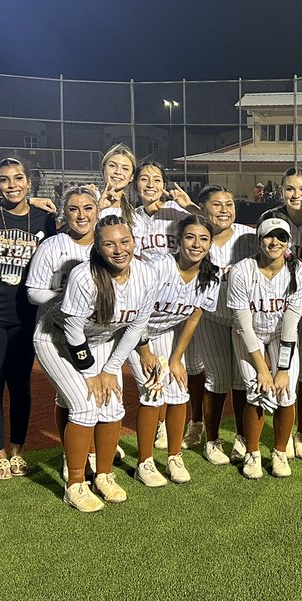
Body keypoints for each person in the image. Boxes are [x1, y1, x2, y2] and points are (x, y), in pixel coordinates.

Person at [33, 217, 158, 511]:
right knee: (86, 405)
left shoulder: (146, 274)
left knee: (113, 404)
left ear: (134, 242)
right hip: (56, 339)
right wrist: (92, 373)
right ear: (98, 248)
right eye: (109, 244)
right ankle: (75, 483)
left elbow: (136, 326)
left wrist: (111, 369)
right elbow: (73, 330)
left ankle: (104, 475)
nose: (119, 249)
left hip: (101, 341)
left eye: (124, 241)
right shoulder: (83, 275)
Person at [0, 158, 58, 479]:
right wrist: (23, 200)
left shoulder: (45, 219)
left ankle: (17, 451)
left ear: (29, 181)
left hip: (25, 314)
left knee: (20, 385)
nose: (12, 185)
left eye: (18, 178)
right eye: (5, 180)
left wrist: (33, 203)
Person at [127, 214, 220, 486]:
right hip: (134, 332)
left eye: (203, 239)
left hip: (165, 333)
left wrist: (177, 358)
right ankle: (144, 462)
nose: (196, 244)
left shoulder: (209, 276)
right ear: (178, 240)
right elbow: (135, 311)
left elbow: (192, 317)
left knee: (179, 390)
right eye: (190, 237)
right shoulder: (158, 267)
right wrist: (145, 351)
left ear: (210, 244)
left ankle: (173, 456)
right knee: (153, 390)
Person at [228, 215, 302, 478]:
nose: (275, 242)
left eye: (282, 237)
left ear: (289, 242)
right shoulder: (241, 271)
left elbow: (290, 323)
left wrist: (282, 368)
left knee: (286, 393)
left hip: (280, 335)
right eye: (269, 236)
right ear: (259, 239)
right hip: (248, 334)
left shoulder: (300, 272)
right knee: (256, 389)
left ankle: (278, 451)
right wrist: (263, 368)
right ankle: (252, 453)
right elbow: (243, 323)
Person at [26, 186, 100, 479]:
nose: (81, 215)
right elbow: (33, 292)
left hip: (94, 336)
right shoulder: (52, 245)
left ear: (97, 211)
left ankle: (84, 450)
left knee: (73, 399)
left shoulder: (107, 242)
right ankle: (75, 463)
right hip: (53, 333)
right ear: (63, 212)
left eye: (87, 208)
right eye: (73, 208)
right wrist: (69, 298)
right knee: (79, 401)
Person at [260, 167, 302, 459]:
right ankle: (284, 433)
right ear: (281, 191)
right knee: (280, 369)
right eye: (290, 188)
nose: (296, 194)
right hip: (276, 306)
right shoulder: (269, 218)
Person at [193, 185, 257, 464]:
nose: (224, 210)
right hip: (210, 317)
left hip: (245, 319)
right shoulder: (197, 237)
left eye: (229, 204)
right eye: (216, 205)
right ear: (203, 209)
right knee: (217, 379)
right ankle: (212, 439)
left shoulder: (250, 236)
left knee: (245, 380)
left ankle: (243, 438)